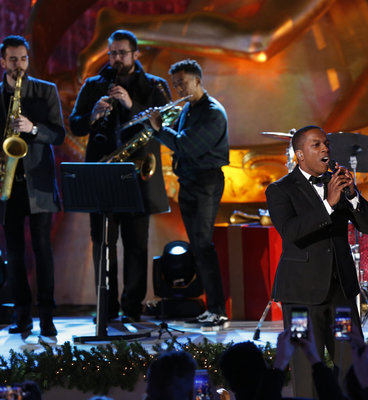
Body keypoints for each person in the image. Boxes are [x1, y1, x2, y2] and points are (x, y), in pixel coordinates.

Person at [265, 125, 368, 397]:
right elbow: (291, 232)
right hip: (302, 296)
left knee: (350, 363)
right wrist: (328, 203)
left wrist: (352, 195)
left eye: (326, 143)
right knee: (306, 369)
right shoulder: (280, 190)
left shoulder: (337, 183)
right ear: (300, 155)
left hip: (340, 293)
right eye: (316, 145)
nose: (325, 148)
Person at [69, 30, 171, 322]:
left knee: (136, 245)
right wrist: (92, 116)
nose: (115, 59)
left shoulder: (154, 85)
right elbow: (75, 126)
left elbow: (165, 124)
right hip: (102, 174)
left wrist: (130, 104)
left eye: (122, 53)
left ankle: (132, 308)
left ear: (136, 54)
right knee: (103, 243)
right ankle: (106, 307)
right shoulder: (93, 85)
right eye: (112, 53)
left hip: (138, 176)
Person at [147, 59, 229, 327]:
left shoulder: (213, 112)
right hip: (190, 182)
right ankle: (211, 307)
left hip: (206, 182)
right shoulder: (188, 110)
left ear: (197, 81)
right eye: (175, 84)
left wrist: (158, 129)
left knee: (204, 246)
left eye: (182, 83)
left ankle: (218, 308)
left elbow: (187, 145)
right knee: (198, 247)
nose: (178, 89)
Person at [0, 35, 65, 336]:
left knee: (42, 250)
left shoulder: (45, 91)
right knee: (14, 252)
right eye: (13, 60)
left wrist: (32, 128)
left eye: (23, 59)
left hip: (38, 182)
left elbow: (59, 134)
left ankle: (47, 315)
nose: (19, 65)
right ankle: (22, 314)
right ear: (3, 62)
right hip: (7, 184)